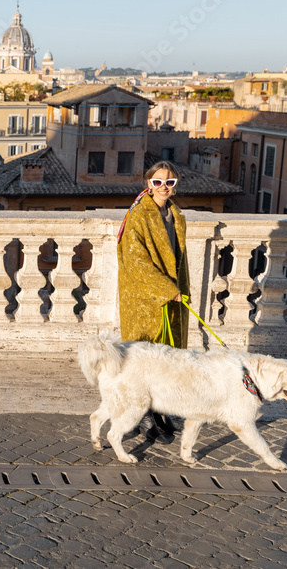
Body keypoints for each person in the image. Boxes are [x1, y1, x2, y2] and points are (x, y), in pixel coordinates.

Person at [116, 160, 190, 443]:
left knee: (167, 359)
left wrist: (176, 291)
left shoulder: (174, 214)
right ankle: (142, 417)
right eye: (157, 182)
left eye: (169, 182)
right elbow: (136, 262)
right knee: (144, 361)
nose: (163, 187)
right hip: (145, 299)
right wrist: (165, 288)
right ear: (148, 184)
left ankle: (160, 412)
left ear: (175, 185)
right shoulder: (139, 215)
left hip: (170, 298)